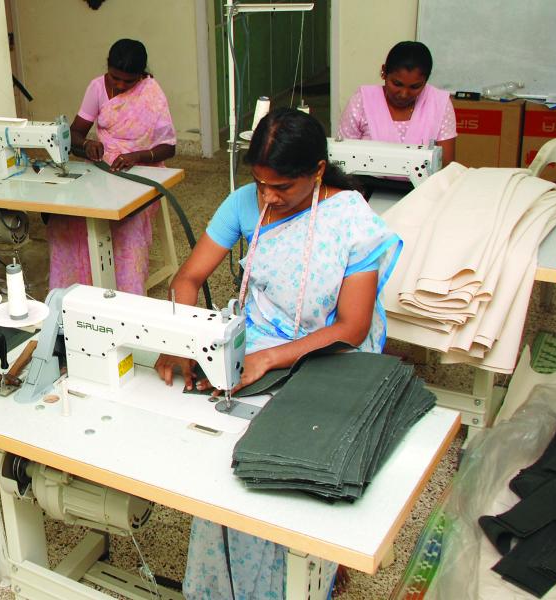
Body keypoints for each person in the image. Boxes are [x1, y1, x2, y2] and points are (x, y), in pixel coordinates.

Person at [154, 108, 402, 598]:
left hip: (332, 359)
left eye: (282, 187)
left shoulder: (352, 221)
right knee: (222, 469)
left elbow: (351, 328)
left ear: (316, 171)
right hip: (260, 345)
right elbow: (188, 278)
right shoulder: (246, 203)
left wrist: (268, 359)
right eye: (260, 183)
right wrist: (182, 339)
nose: (268, 197)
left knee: (284, 473)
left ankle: (309, 573)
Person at [51, 38, 177, 296]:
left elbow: (169, 146)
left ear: (141, 75)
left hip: (141, 173)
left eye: (127, 81)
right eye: (114, 77)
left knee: (126, 225)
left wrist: (138, 156)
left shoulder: (151, 93)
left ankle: (126, 297)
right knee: (65, 220)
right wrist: (86, 145)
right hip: (101, 171)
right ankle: (77, 294)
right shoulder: (97, 88)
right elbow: (73, 133)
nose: (119, 85)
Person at [338, 40, 456, 193]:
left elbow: (446, 167)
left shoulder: (439, 104)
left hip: (424, 193)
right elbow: (341, 159)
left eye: (415, 87)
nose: (404, 94)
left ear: (425, 81)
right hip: (366, 191)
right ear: (384, 72)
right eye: (397, 83)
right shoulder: (362, 101)